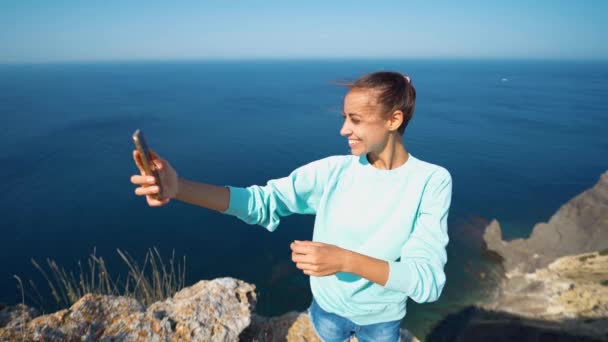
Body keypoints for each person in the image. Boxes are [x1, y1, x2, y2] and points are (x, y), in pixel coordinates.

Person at [130, 71, 452, 342]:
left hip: (382, 323)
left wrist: (342, 260)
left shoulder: (431, 182)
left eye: (355, 120)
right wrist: (179, 188)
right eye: (344, 119)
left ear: (394, 119)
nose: (343, 130)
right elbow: (261, 202)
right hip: (325, 313)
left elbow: (427, 283)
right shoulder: (334, 172)